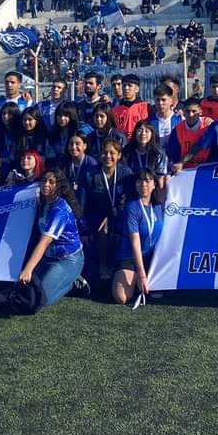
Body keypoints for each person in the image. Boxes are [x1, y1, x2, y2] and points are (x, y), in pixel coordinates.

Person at [17, 170, 85, 307]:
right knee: (27, 289)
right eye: (44, 180)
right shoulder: (43, 202)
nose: (46, 184)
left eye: (51, 182)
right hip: (48, 257)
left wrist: (28, 269)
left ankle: (73, 282)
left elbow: (44, 242)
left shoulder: (60, 210)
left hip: (67, 259)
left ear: (59, 186)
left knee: (42, 299)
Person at [82, 138, 135, 280]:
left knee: (120, 229)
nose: (108, 156)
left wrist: (114, 215)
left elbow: (129, 199)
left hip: (119, 213)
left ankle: (119, 264)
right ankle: (103, 265)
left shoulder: (126, 172)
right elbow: (83, 202)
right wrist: (84, 227)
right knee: (100, 231)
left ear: (119, 155)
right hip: (96, 214)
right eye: (104, 153)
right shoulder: (90, 174)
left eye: (112, 153)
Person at [112, 169, 164, 305]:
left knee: (158, 293)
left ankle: (136, 282)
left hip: (150, 259)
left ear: (154, 185)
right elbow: (135, 242)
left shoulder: (159, 207)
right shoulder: (132, 207)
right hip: (130, 257)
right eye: (140, 181)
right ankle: (129, 279)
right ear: (135, 184)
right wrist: (141, 274)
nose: (144, 184)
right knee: (122, 298)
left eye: (148, 181)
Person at [122, 120, 168, 196]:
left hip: (152, 192)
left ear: (152, 134)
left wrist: (159, 196)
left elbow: (160, 178)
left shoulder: (159, 153)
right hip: (131, 191)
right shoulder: (127, 151)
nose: (143, 134)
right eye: (140, 130)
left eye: (147, 131)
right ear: (135, 133)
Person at [166, 97, 213, 169]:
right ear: (183, 112)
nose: (191, 115)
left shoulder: (208, 125)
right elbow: (173, 155)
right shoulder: (177, 130)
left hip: (206, 169)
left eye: (194, 111)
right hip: (186, 170)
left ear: (200, 111)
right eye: (188, 111)